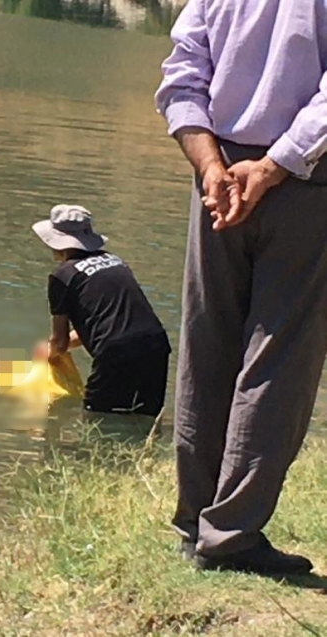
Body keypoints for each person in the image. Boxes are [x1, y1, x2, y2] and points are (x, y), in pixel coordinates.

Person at [155, 0, 327, 575]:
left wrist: (209, 165)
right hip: (303, 178)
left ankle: (194, 522)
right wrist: (276, 164)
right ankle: (228, 534)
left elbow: (182, 77)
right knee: (280, 355)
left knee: (208, 345)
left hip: (218, 172)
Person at [31, 204, 171, 418]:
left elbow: (60, 343)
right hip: (155, 345)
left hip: (115, 353)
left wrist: (47, 353)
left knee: (96, 419)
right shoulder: (114, 260)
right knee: (146, 418)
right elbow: (106, 323)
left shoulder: (62, 276)